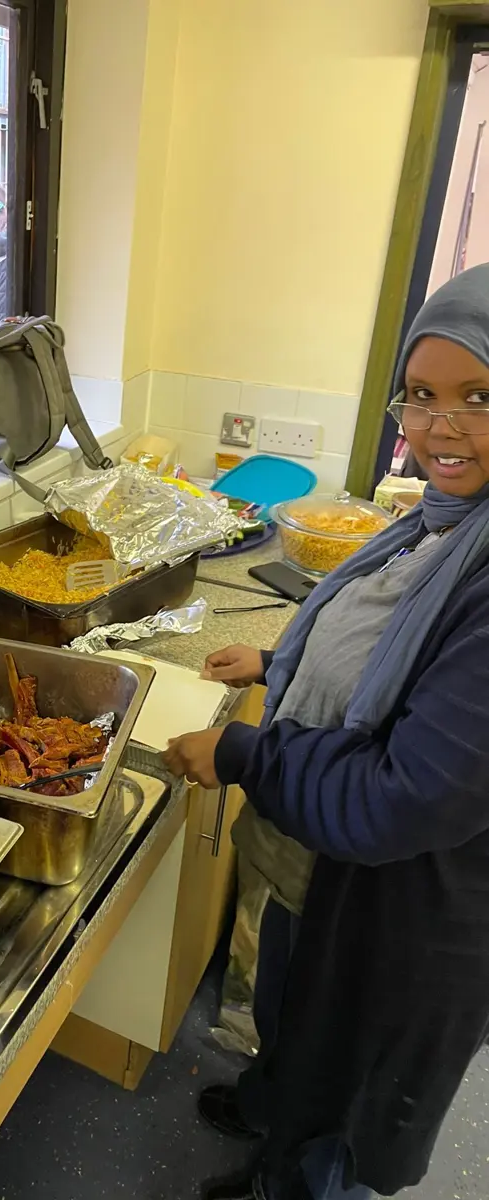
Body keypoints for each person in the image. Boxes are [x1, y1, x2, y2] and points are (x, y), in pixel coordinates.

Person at [163, 262, 489, 1200]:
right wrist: (280, 666)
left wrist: (240, 751)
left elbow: (403, 797)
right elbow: (398, 656)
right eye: (421, 397)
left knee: (353, 1083)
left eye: (479, 396)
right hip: (332, 867)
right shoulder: (441, 521)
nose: (442, 428)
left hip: (413, 909)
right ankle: (274, 1108)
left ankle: (296, 1179)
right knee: (297, 1007)